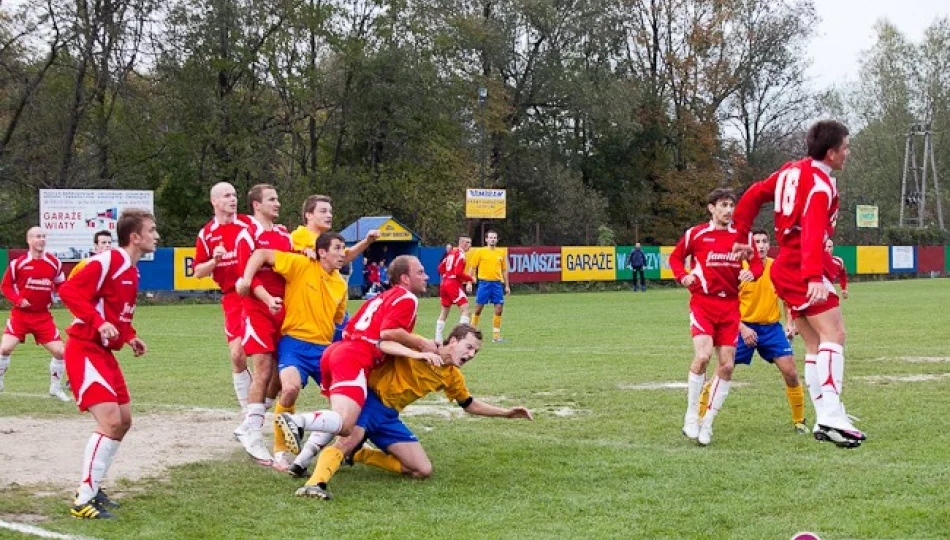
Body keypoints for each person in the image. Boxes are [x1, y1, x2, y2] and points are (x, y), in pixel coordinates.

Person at [732, 119, 865, 448]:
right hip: (801, 264)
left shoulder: (790, 171)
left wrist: (740, 234)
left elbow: (751, 195)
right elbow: (811, 230)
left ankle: (823, 417)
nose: (848, 153)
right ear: (832, 153)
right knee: (835, 334)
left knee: (814, 344)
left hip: (787, 266)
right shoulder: (821, 184)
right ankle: (832, 415)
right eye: (846, 148)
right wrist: (812, 277)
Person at [291, 324, 533, 500]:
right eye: (468, 347)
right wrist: (415, 352)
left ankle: (360, 455)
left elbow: (469, 404)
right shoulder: (422, 346)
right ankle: (315, 484)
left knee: (422, 470)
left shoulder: (452, 376)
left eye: (475, 352)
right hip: (369, 401)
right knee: (345, 440)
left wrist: (507, 413)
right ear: (453, 340)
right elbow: (384, 340)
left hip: (389, 416)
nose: (470, 355)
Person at [274, 256, 439, 458]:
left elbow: (352, 328)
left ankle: (302, 461)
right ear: (405, 278)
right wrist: (422, 344)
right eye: (420, 272)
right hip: (354, 358)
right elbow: (388, 333)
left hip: (338, 351)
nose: (426, 276)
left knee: (340, 418)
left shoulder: (381, 297)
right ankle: (298, 421)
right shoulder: (407, 298)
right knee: (345, 423)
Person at [59, 209, 159, 519]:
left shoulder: (132, 270)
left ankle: (94, 486)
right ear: (135, 237)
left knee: (124, 421)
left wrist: (130, 336)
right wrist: (97, 322)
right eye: (152, 230)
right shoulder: (109, 261)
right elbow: (68, 291)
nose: (157, 236)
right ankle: (82, 500)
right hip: (84, 349)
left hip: (104, 353)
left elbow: (118, 314)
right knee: (111, 422)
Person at [238, 231, 348, 471]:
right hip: (294, 344)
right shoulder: (300, 264)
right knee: (289, 389)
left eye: (344, 248)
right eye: (338, 248)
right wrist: (246, 279)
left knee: (343, 408)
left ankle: (320, 451)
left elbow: (338, 322)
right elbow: (261, 253)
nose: (343, 253)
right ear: (322, 252)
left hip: (323, 350)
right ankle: (280, 451)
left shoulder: (341, 284)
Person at [669, 188, 763, 446]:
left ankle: (707, 422)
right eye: (723, 205)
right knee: (702, 356)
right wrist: (683, 276)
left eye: (731, 205)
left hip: (730, 307)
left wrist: (751, 273)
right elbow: (676, 259)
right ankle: (691, 415)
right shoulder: (696, 234)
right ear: (711, 208)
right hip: (703, 303)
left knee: (728, 366)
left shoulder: (742, 237)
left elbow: (757, 264)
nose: (729, 210)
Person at [699, 229, 806, 433]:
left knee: (791, 372)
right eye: (756, 242)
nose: (761, 245)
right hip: (739, 327)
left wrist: (790, 323)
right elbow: (726, 304)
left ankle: (799, 420)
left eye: (764, 241)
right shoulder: (738, 269)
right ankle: (699, 417)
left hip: (771, 329)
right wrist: (743, 328)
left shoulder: (777, 268)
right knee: (721, 371)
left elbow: (788, 299)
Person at [231, 184, 292, 467]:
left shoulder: (283, 235)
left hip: (282, 310)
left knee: (282, 373)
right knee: (263, 369)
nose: (277, 203)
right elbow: (246, 279)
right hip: (258, 310)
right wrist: (267, 298)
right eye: (272, 199)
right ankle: (254, 434)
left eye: (277, 199)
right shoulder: (246, 236)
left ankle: (248, 423)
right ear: (256, 204)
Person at [193, 182, 257, 415]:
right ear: (215, 201)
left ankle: (261, 406)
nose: (233, 199)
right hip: (232, 298)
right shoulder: (207, 234)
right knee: (237, 355)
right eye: (227, 196)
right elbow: (198, 271)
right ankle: (247, 410)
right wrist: (214, 261)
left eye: (234, 195)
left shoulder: (248, 224)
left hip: (256, 294)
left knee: (265, 354)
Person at [0, 227, 69, 401]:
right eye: (38, 236)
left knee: (60, 352)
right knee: (5, 348)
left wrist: (69, 297)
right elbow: (6, 286)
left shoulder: (54, 263)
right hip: (21, 316)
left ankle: (55, 388)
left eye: (44, 236)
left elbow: (62, 285)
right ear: (29, 240)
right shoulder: (18, 264)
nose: (42, 239)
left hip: (42, 316)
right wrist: (17, 299)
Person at [290, 194, 379, 264]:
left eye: (330, 212)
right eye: (323, 211)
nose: (329, 215)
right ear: (308, 215)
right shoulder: (298, 235)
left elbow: (345, 257)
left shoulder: (326, 239)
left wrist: (367, 241)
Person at [466, 230, 510, 343]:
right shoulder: (480, 252)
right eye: (490, 238)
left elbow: (504, 270)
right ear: (486, 239)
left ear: (497, 239)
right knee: (478, 309)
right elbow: (472, 267)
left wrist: (507, 286)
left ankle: (496, 336)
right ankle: (471, 333)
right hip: (484, 283)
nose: (493, 240)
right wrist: (469, 282)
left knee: (499, 308)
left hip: (497, 284)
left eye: (494, 238)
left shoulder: (501, 252)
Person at [435, 236, 473, 342]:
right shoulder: (461, 255)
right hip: (452, 284)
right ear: (461, 243)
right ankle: (461, 337)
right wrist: (471, 278)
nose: (469, 245)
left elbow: (440, 268)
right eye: (467, 242)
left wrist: (447, 275)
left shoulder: (451, 253)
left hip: (444, 283)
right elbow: (458, 273)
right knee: (465, 310)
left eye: (470, 242)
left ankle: (438, 338)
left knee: (444, 311)